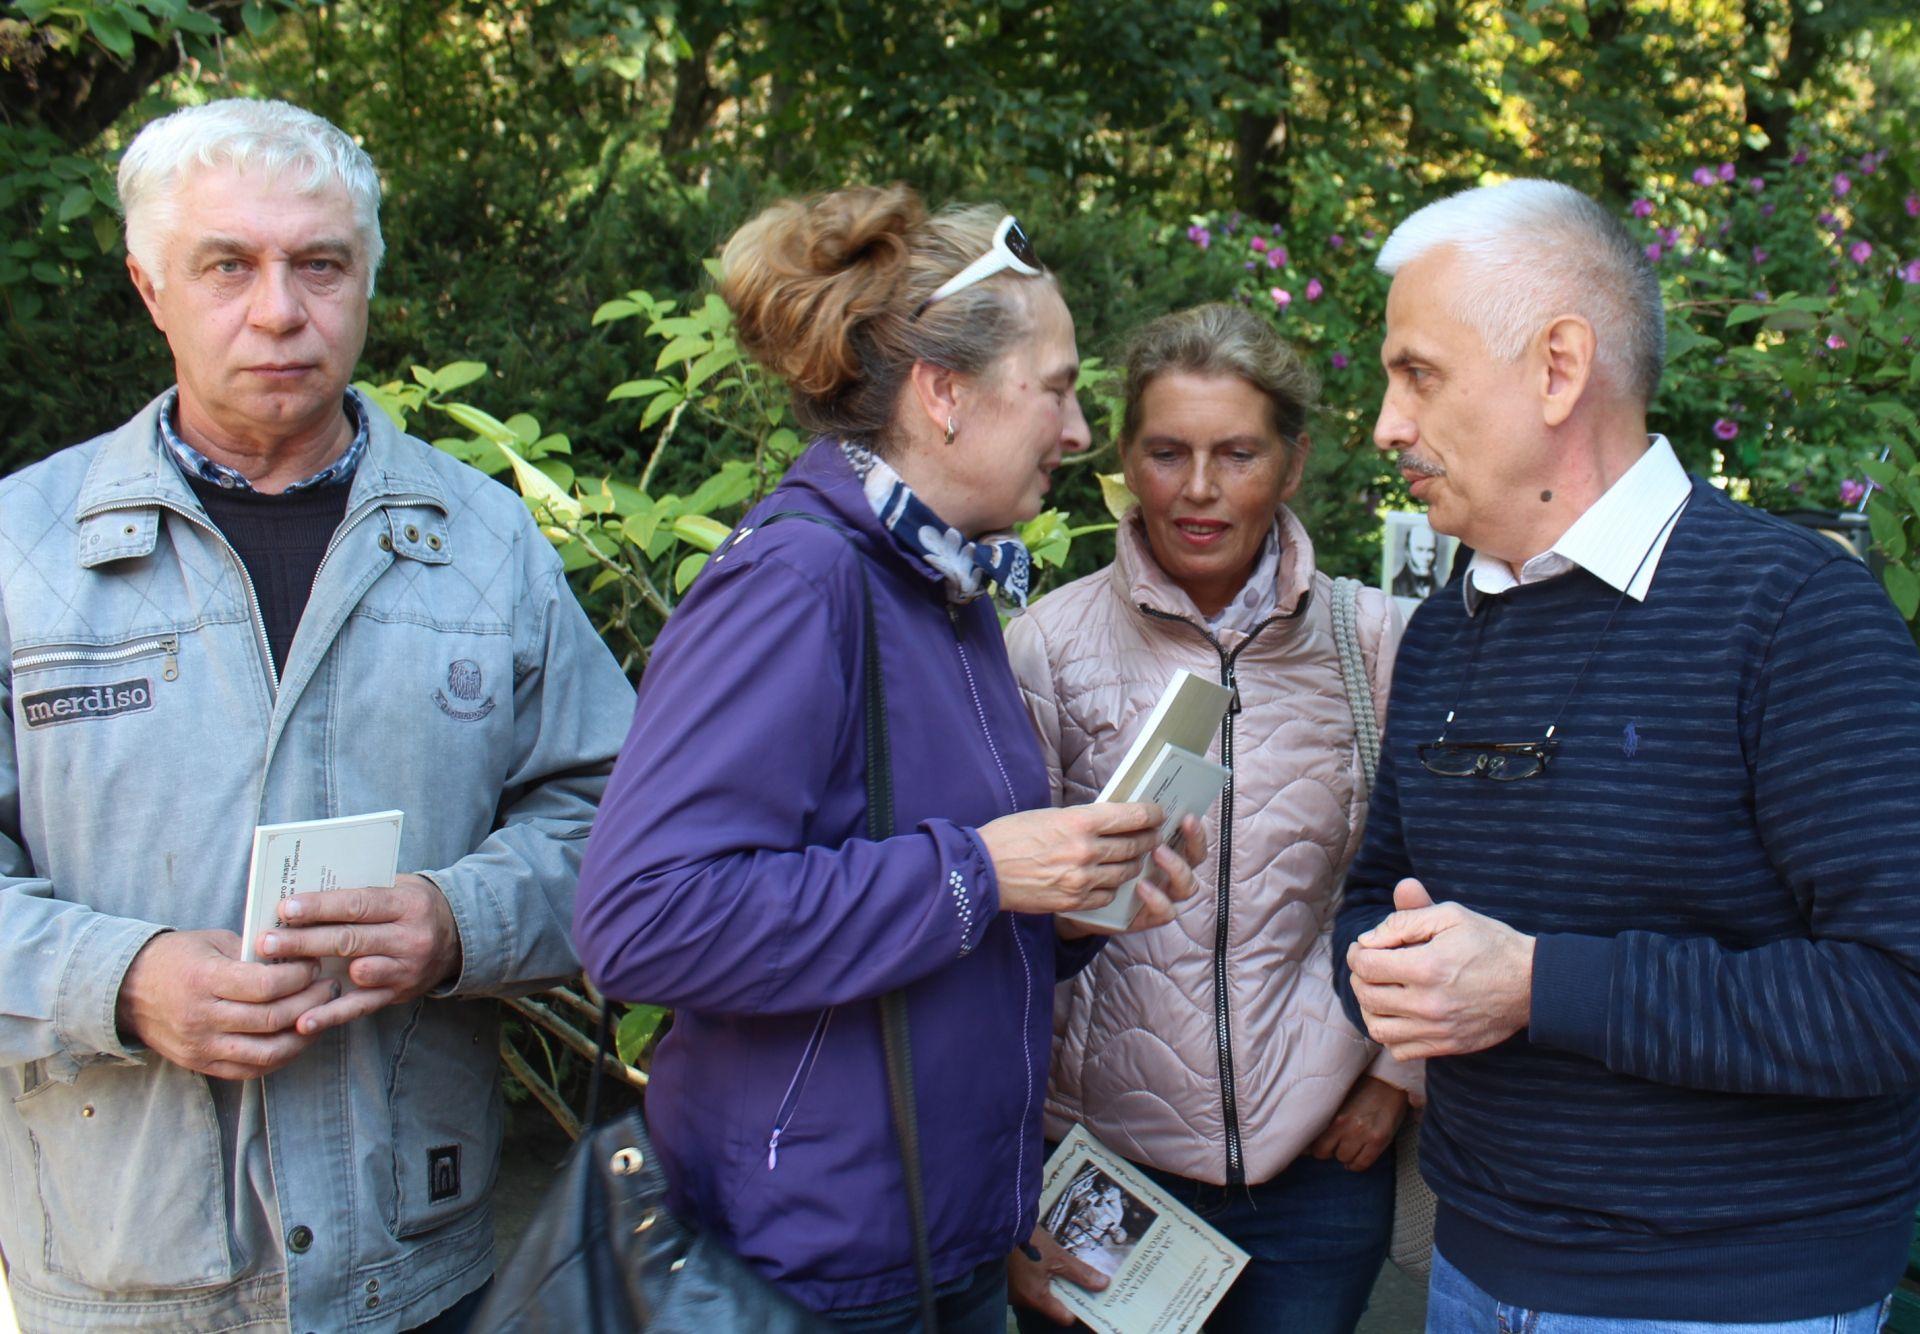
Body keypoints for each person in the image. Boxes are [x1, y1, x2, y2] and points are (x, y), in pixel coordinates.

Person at [0, 99, 636, 1333]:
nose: (280, 309)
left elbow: (613, 818)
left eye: (320, 264)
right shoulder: (21, 552)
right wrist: (120, 979)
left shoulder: (483, 543)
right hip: (124, 1271)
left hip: (421, 1263)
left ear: (366, 279)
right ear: (149, 286)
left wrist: (460, 919)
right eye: (228, 265)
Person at [1334, 179, 1920, 1331]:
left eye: (1416, 373)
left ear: (1557, 367)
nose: (1386, 424)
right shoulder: (1447, 625)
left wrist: (1539, 984)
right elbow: (1369, 892)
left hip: (1728, 1296)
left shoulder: (1794, 614)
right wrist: (1393, 965)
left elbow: (1917, 999)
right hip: (1472, 1268)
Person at [573, 185, 1205, 1334]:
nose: (1076, 432)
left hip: (940, 1242)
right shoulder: (797, 584)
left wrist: (1061, 907)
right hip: (807, 1269)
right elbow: (641, 920)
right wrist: (980, 870)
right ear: (944, 392)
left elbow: (929, 901)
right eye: (1057, 389)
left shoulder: (944, 588)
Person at [1006, 303, 1416, 1333]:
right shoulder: (1045, 648)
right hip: (1098, 1168)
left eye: (1235, 452)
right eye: (1165, 451)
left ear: (1289, 463)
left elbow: (1442, 872)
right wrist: (1005, 1177)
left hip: (1316, 1166)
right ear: (1124, 461)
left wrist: (1392, 1079)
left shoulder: (1374, 645)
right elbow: (994, 933)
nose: (1196, 488)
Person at [1390, 518, 1442, 598]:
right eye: (1420, 550)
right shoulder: (1394, 587)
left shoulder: (1441, 589)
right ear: (1407, 551)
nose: (1426, 557)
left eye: (1430, 550)